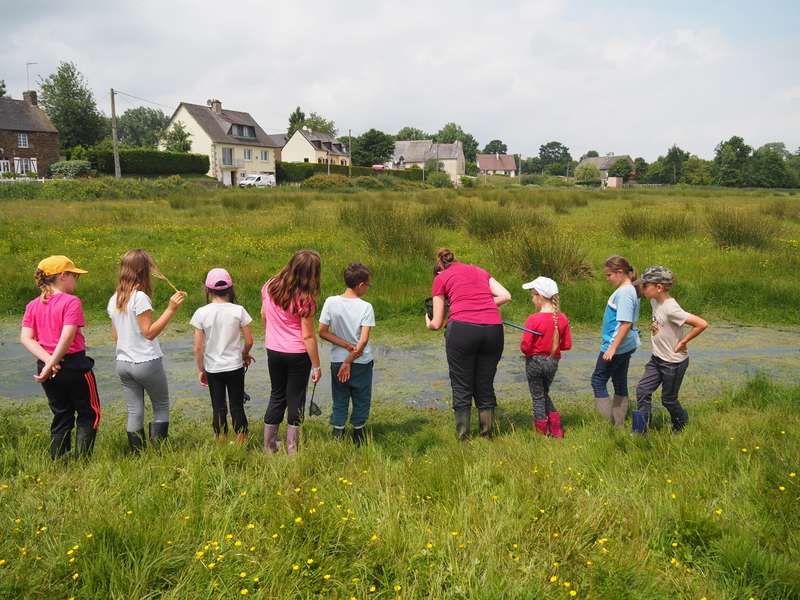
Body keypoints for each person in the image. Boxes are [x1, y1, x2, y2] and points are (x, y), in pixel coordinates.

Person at [425, 248, 511, 441]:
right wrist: (481, 304)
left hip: (462, 330)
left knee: (461, 383)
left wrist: (428, 322)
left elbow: (437, 323)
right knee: (485, 383)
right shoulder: (478, 270)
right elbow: (505, 295)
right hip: (493, 329)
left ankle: (463, 438)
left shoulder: (441, 278)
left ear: (439, 271)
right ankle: (486, 435)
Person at [20, 256, 101, 460]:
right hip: (73, 365)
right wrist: (52, 362)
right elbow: (67, 336)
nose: (76, 280)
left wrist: (48, 363)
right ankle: (82, 462)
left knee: (62, 413)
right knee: (89, 412)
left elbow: (26, 338)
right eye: (75, 276)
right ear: (63, 275)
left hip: (47, 367)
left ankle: (58, 461)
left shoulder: (33, 304)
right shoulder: (71, 301)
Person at [108, 249, 186, 453]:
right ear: (143, 270)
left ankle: (138, 455)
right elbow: (149, 333)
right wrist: (171, 309)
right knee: (161, 405)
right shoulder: (140, 297)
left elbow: (117, 338)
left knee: (134, 410)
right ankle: (158, 453)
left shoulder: (115, 299)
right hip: (146, 362)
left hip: (123, 363)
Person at [631, 266, 708, 434]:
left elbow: (702, 324)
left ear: (659, 287)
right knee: (643, 390)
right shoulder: (654, 301)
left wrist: (684, 341)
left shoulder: (672, 309)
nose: (642, 289)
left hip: (673, 362)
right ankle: (640, 431)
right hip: (656, 359)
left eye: (645, 286)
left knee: (668, 400)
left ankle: (681, 423)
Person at [262, 249, 322, 454]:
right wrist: (317, 366)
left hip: (273, 349)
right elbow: (308, 336)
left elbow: (264, 315)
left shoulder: (270, 286)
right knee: (296, 398)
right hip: (297, 353)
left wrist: (274, 335)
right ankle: (292, 449)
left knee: (277, 395)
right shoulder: (306, 299)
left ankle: (269, 446)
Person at [190, 268, 255, 445]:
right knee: (237, 406)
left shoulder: (201, 313)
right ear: (230, 289)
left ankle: (222, 446)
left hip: (213, 368)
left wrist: (201, 369)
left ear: (207, 289)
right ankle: (241, 445)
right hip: (234, 366)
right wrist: (244, 354)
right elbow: (249, 340)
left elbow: (198, 346)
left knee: (218, 407)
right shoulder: (238, 310)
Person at [318, 261, 375, 445]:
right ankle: (358, 436)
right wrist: (349, 360)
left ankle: (338, 437)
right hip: (360, 362)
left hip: (337, 361)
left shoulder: (331, 302)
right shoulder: (366, 307)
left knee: (340, 398)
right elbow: (363, 341)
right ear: (361, 285)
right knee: (361, 397)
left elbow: (322, 332)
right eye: (368, 285)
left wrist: (344, 347)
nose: (367, 288)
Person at [590, 255, 641, 428]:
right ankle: (619, 425)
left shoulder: (625, 292)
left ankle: (607, 426)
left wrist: (612, 348)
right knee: (619, 380)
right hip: (627, 344)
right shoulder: (630, 289)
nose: (607, 279)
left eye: (609, 275)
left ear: (620, 272)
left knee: (598, 380)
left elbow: (626, 323)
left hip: (617, 344)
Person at [520, 277, 572, 438]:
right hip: (552, 362)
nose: (532, 300)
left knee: (538, 396)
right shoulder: (562, 318)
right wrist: (553, 345)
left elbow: (525, 347)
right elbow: (567, 345)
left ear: (540, 296)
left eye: (533, 296)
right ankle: (556, 429)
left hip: (534, 363)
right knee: (543, 392)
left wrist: (532, 348)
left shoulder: (532, 319)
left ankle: (542, 431)